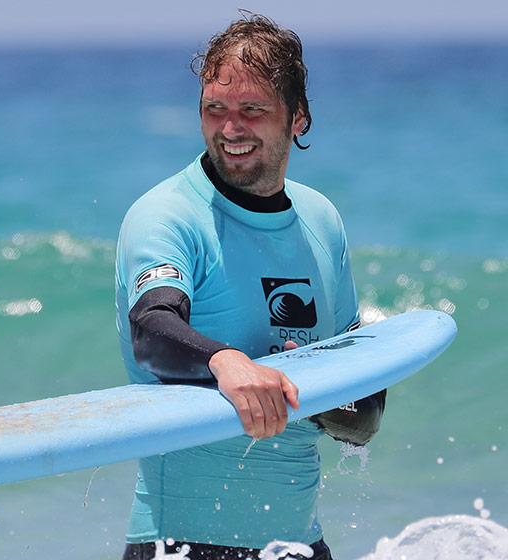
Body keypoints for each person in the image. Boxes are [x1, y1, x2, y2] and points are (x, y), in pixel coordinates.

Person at [114, 13, 385, 560]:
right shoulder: (168, 215)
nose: (230, 129)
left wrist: (317, 394)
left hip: (299, 545)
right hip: (182, 543)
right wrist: (228, 362)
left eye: (252, 111)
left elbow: (362, 417)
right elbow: (152, 330)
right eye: (215, 109)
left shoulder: (321, 220)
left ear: (298, 118)